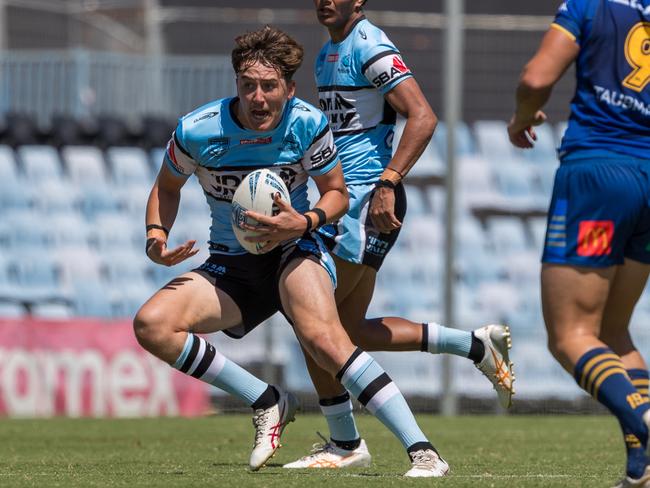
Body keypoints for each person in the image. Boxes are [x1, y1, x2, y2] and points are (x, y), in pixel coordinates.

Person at [134, 25, 449, 477]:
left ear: (289, 88)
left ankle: (423, 451)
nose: (258, 98)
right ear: (236, 85)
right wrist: (155, 236)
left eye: (269, 86)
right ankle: (266, 400)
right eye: (248, 86)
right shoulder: (198, 130)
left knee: (326, 338)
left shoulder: (306, 123)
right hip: (230, 264)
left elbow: (336, 194)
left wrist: (301, 223)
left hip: (294, 249)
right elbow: (166, 187)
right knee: (152, 325)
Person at [283, 0, 515, 470]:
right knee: (346, 331)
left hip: (364, 201)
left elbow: (423, 115)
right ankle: (475, 346)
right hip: (348, 199)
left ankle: (375, 446)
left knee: (316, 327)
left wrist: (388, 181)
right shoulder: (332, 49)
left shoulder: (368, 45)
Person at [507, 1, 650, 486]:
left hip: (600, 176)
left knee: (570, 335)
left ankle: (646, 428)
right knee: (612, 331)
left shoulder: (591, 5)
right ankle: (643, 467)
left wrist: (521, 117)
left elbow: (535, 78)